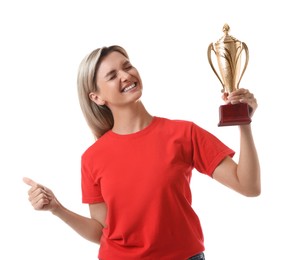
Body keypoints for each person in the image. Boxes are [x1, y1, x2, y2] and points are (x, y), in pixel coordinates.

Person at [23, 45, 261, 260]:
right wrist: (57, 209)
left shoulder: (183, 133)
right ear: (97, 97)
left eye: (127, 66)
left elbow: (248, 186)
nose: (126, 76)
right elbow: (102, 231)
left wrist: (244, 122)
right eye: (112, 75)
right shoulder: (92, 158)